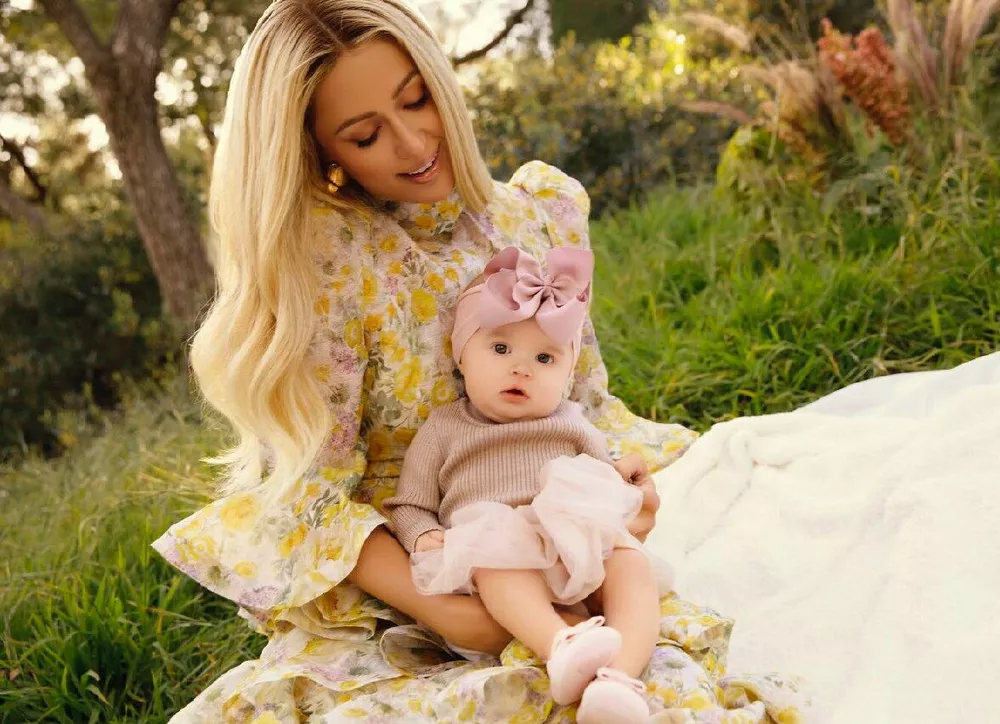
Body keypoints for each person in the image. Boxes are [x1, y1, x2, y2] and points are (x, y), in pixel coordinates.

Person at [152, 1, 807, 721]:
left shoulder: (534, 215)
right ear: (318, 152)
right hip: (417, 565)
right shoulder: (331, 264)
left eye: (417, 99)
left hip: (562, 544)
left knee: (651, 675)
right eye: (366, 135)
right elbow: (311, 495)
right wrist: (445, 606)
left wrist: (625, 497)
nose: (412, 143)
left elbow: (583, 403)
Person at [385, 246, 670, 723]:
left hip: (575, 541)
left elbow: (602, 480)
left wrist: (624, 484)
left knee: (630, 564)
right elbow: (410, 504)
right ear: (461, 357)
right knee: (497, 562)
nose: (522, 369)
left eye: (545, 358)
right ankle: (560, 645)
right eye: (500, 350)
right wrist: (422, 534)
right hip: (499, 555)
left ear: (567, 373)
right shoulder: (445, 428)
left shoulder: (571, 422)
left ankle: (618, 681)